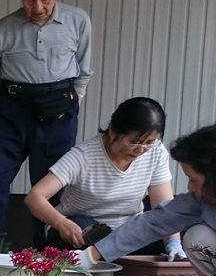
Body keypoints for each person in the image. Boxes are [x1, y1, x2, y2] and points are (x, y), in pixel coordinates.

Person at [0, 0, 92, 246]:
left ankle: (46, 254)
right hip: (11, 109)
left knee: (50, 186)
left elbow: (84, 72)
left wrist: (71, 110)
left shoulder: (78, 21)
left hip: (58, 111)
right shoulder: (4, 27)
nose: (37, 6)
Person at [24, 97, 184, 259]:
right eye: (134, 142)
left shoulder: (155, 152)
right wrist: (61, 223)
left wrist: (173, 242)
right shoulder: (83, 156)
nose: (141, 149)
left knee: (179, 230)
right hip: (83, 232)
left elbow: (164, 208)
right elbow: (34, 197)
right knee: (84, 229)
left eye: (149, 142)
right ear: (113, 130)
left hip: (127, 234)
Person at [78, 125, 216, 276]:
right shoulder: (200, 199)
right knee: (197, 237)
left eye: (193, 179)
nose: (190, 187)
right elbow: (153, 222)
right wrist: (90, 256)